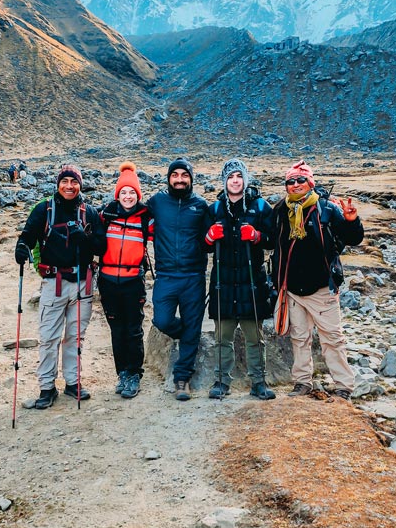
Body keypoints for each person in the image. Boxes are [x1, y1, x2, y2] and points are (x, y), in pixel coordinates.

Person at [270, 160, 363, 400]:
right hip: (291, 289)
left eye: (301, 180)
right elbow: (271, 243)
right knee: (299, 338)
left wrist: (352, 221)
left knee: (332, 338)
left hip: (322, 288)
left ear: (310, 183)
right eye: (290, 181)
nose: (295, 184)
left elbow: (352, 239)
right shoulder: (280, 210)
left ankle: (344, 386)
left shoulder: (327, 209)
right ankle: (302, 383)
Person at [15, 164, 105, 409]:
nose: (69, 186)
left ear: (80, 184)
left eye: (73, 182)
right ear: (58, 184)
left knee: (76, 337)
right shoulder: (44, 209)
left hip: (82, 284)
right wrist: (21, 248)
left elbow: (100, 247)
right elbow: (28, 235)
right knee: (48, 338)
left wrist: (84, 239)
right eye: (65, 181)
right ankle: (47, 387)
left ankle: (73, 383)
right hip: (52, 283)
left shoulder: (90, 212)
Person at [205, 158, 276, 401]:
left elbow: (275, 239)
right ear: (224, 181)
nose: (235, 181)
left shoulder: (260, 206)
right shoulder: (214, 209)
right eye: (230, 177)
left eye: (238, 176)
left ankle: (259, 382)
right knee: (222, 338)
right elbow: (201, 245)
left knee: (254, 338)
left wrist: (257, 236)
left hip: (252, 283)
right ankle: (222, 381)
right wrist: (208, 237)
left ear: (245, 180)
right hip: (222, 284)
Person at [146, 157, 209, 401]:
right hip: (166, 275)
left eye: (184, 175)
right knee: (161, 320)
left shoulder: (201, 205)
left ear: (191, 179)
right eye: (175, 175)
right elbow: (133, 213)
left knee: (193, 326)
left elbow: (209, 241)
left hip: (193, 276)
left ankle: (182, 379)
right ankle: (186, 334)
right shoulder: (158, 202)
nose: (180, 179)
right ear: (169, 178)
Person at [99, 162, 152, 400]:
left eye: (132, 192)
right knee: (116, 329)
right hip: (108, 280)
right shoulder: (107, 215)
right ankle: (122, 373)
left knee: (133, 329)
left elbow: (164, 234)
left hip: (133, 280)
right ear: (117, 194)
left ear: (138, 195)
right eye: (123, 192)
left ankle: (134, 374)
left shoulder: (144, 218)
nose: (128, 196)